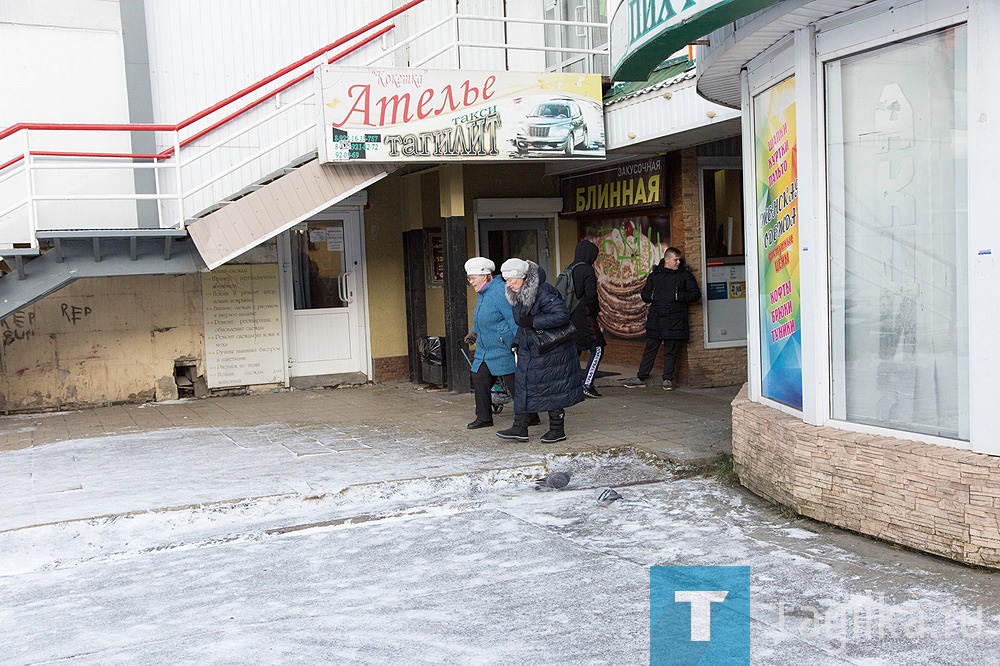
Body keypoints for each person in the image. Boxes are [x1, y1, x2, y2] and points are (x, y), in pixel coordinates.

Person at [497, 258, 584, 443]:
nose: (508, 284)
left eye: (511, 280)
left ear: (523, 277)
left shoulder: (543, 292)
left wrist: (535, 322)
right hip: (531, 347)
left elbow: (561, 315)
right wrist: (517, 341)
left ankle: (557, 430)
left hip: (552, 348)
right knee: (523, 385)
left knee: (551, 387)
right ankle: (520, 427)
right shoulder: (517, 294)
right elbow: (523, 324)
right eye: (506, 281)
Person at [623, 247, 702, 390]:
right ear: (667, 260)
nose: (678, 262)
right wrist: (652, 296)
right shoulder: (655, 276)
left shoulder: (685, 275)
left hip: (675, 318)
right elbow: (645, 295)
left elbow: (696, 294)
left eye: (679, 259)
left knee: (671, 351)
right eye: (675, 259)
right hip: (657, 318)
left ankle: (667, 379)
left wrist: (678, 297)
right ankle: (641, 377)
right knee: (650, 349)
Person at [463, 257, 517, 430]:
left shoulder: (500, 291)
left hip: (502, 348)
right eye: (469, 278)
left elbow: (513, 319)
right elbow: (482, 317)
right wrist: (474, 332)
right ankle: (484, 417)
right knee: (479, 377)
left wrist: (518, 342)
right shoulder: (483, 292)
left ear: (485, 275)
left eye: (473, 278)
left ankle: (530, 415)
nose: (470, 282)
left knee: (515, 384)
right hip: (485, 349)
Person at [566, 239, 606, 398]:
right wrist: (595, 312)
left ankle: (570, 384)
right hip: (584, 315)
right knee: (598, 347)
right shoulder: (587, 270)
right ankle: (587, 384)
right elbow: (591, 296)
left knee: (574, 349)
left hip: (570, 316)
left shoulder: (569, 268)